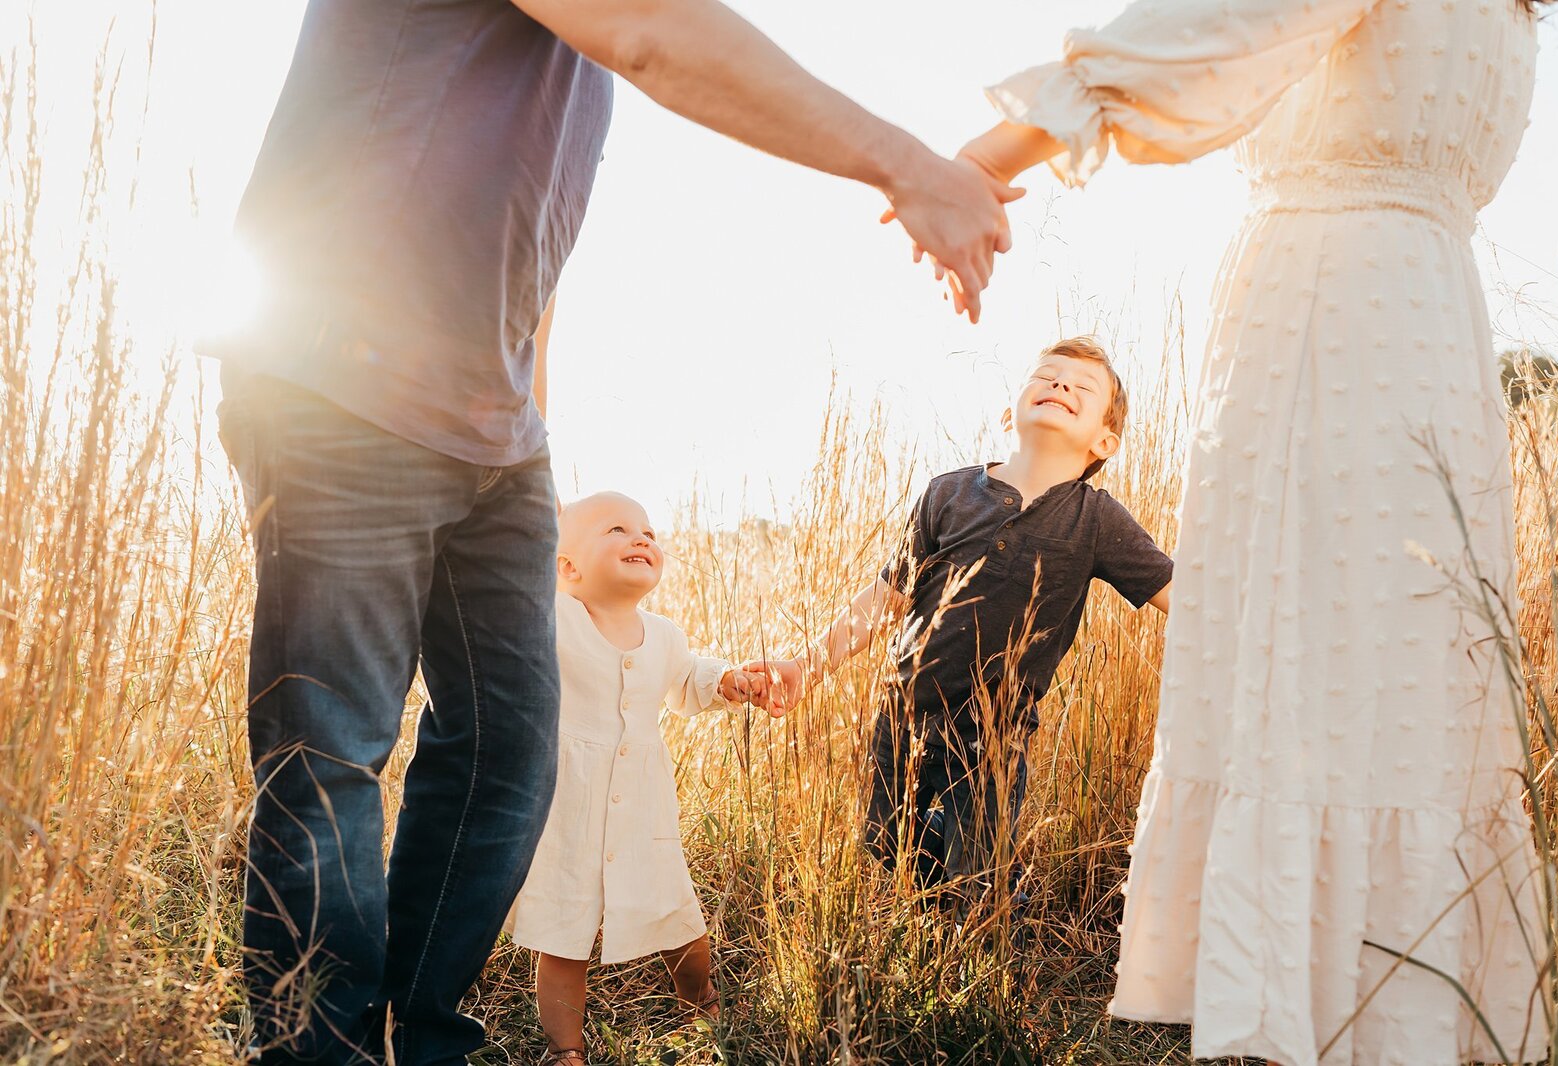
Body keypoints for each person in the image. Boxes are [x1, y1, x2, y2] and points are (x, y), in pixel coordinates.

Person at [210, 1, 1021, 1061]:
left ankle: (418, 1035)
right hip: (341, 379)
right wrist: (904, 164)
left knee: (507, 751)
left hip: (496, 435)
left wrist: (525, 433)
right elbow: (653, 31)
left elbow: (532, 258)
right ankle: (319, 1048)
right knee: (331, 751)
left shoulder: (569, 69)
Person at [944, 0, 1553, 1062]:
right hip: (1431, 320)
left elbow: (1218, 29)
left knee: (1302, 643)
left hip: (1329, 310)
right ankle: (1398, 1003)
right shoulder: (1515, 16)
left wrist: (1003, 141)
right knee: (1403, 669)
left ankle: (1294, 1002)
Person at [755, 338, 1172, 907]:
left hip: (994, 728)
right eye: (1047, 376)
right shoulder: (949, 493)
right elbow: (883, 599)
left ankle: (986, 905)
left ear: (1104, 441)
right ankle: (972, 896)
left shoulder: (1094, 518)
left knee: (972, 876)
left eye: (1082, 388)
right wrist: (805, 665)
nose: (1060, 387)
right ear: (1010, 411)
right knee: (885, 841)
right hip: (905, 706)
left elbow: (1182, 597)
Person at [502, 492, 774, 1066]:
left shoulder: (665, 634)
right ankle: (566, 1050)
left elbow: (688, 680)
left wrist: (727, 680)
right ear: (567, 567)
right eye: (617, 529)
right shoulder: (551, 619)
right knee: (562, 933)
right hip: (566, 811)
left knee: (678, 917)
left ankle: (703, 1002)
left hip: (645, 813)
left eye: (648, 531)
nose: (641, 538)